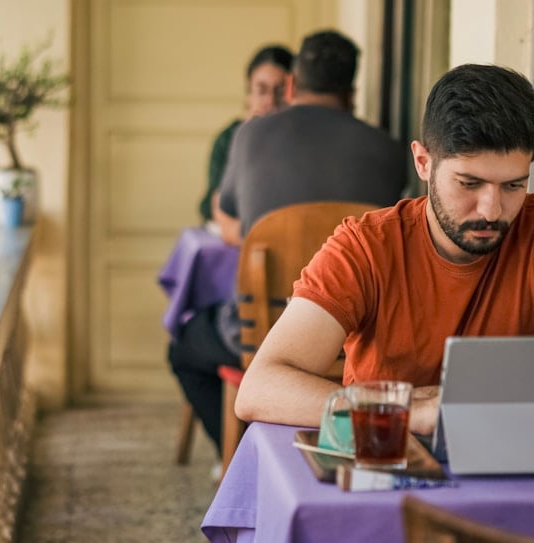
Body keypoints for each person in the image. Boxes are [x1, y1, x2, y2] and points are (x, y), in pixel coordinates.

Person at [233, 64, 534, 437]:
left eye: (513, 186)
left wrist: (443, 399)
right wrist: (409, 411)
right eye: (469, 184)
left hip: (515, 459)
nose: (492, 210)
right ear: (423, 162)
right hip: (386, 455)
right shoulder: (365, 246)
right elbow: (259, 388)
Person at [169, 29, 408, 457]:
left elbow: (232, 214)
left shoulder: (251, 136)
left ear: (292, 84)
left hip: (260, 335)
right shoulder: (389, 151)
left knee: (184, 348)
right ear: (351, 93)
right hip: (354, 338)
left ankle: (245, 455)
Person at [201, 44, 294, 239]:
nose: (270, 101)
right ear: (248, 94)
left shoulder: (303, 140)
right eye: (261, 91)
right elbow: (212, 206)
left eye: (280, 92)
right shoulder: (229, 138)